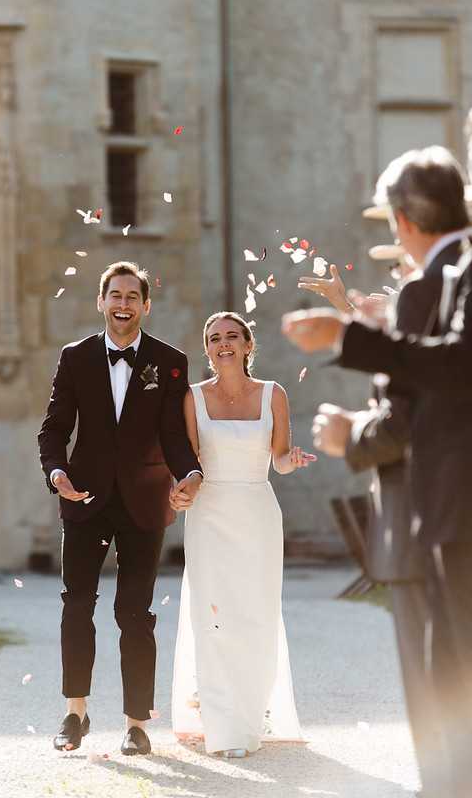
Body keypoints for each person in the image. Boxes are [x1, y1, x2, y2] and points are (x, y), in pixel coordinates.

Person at [282, 146, 472, 798]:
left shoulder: (443, 278)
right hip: (439, 505)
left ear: (401, 220)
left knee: (442, 676)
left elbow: (424, 398)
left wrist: (347, 433)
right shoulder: (439, 279)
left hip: (442, 507)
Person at [38, 261, 203, 756]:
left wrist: (191, 473)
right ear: (101, 301)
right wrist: (56, 472)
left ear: (146, 305)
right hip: (84, 499)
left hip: (144, 502)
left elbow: (174, 434)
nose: (124, 304)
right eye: (116, 295)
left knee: (135, 613)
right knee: (76, 604)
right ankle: (75, 714)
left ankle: (136, 723)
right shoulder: (75, 357)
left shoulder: (171, 362)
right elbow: (53, 428)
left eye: (133, 296)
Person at [171, 312, 314, 757]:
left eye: (233, 336)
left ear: (249, 345)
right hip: (209, 513)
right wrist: (182, 489)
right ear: (207, 348)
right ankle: (222, 726)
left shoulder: (274, 394)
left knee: (255, 615)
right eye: (215, 338)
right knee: (211, 616)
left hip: (257, 513)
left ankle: (250, 718)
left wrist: (294, 460)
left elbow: (279, 460)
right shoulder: (192, 398)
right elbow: (190, 462)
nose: (224, 343)